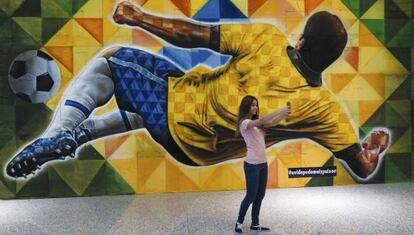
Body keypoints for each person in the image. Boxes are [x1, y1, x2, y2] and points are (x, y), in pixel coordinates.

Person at [6, 1, 389, 183]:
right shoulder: (327, 111)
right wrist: (372, 149)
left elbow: (191, 35)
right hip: (201, 153)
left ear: (302, 39)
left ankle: (59, 134)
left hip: (179, 110)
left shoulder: (268, 40)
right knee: (148, 106)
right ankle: (79, 136)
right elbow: (361, 167)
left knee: (112, 61)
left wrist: (138, 17)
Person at [235, 96, 290, 233]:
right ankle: (239, 222)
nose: (256, 107)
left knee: (260, 195)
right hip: (252, 165)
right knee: (251, 195)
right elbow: (264, 120)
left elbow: (272, 122)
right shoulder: (245, 123)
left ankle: (255, 223)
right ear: (246, 106)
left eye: (256, 105)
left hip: (262, 164)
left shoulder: (257, 125)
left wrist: (285, 113)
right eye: (253, 105)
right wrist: (281, 109)